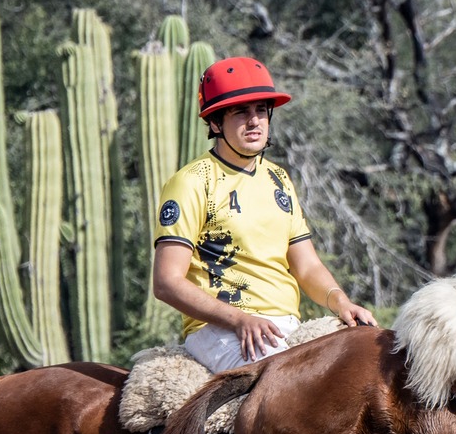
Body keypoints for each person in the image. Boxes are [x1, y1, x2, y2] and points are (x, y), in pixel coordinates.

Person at [153, 57, 376, 376]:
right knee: (290, 388)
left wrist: (341, 302)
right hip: (220, 329)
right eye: (241, 112)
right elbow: (166, 282)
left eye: (261, 110)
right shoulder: (191, 182)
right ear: (215, 123)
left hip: (284, 326)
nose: (254, 121)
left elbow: (307, 265)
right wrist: (239, 319)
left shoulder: (279, 179)